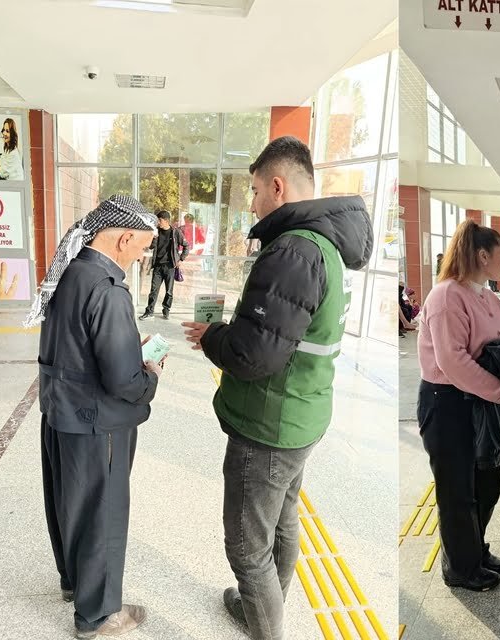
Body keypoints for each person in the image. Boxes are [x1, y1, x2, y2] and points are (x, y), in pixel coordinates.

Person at [180, 136, 372, 638]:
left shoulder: (294, 250)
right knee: (284, 518)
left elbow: (255, 355)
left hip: (270, 422)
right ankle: (262, 609)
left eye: (255, 191)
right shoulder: (327, 247)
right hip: (302, 414)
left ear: (278, 186)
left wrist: (215, 337)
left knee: (247, 547)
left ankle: (265, 622)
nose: (252, 202)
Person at [23, 195, 161, 638]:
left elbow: (75, 347)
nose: (142, 256)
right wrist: (150, 375)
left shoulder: (70, 272)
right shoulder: (107, 288)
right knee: (102, 512)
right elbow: (123, 380)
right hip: (96, 421)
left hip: (60, 411)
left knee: (70, 502)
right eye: (141, 246)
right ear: (123, 238)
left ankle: (75, 583)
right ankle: (98, 613)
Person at [413, 219, 500, 595]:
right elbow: (452, 362)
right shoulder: (446, 296)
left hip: (480, 404)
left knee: (487, 483)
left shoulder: (488, 296)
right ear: (482, 255)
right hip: (448, 404)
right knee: (457, 492)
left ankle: (476, 551)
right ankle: (460, 567)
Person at [139, 211, 190, 320]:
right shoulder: (157, 232)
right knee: (153, 290)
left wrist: (181, 259)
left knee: (169, 291)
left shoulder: (175, 232)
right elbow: (152, 247)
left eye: (160, 220)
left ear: (166, 220)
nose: (158, 222)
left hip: (170, 266)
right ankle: (149, 312)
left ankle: (166, 310)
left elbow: (186, 246)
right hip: (158, 266)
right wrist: (153, 236)